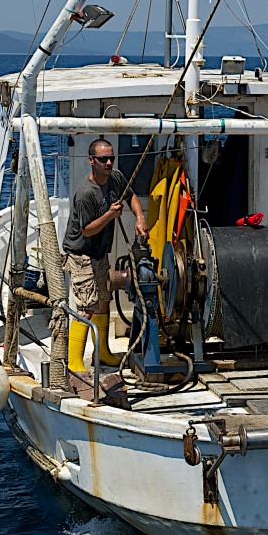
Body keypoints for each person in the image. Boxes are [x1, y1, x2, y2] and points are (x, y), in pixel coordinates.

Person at [62, 139, 147, 371]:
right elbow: (87, 230)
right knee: (86, 307)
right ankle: (74, 362)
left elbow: (131, 196)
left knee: (103, 301)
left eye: (111, 158)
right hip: (81, 255)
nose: (108, 163)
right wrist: (110, 215)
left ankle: (102, 354)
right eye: (103, 159)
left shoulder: (115, 178)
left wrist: (139, 218)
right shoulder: (86, 193)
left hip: (100, 253)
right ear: (91, 161)